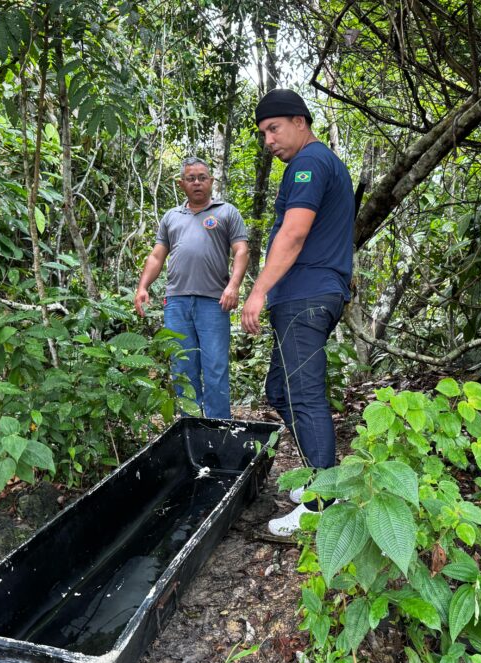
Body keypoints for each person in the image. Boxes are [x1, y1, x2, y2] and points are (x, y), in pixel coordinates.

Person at [240, 89, 354, 536]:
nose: (268, 140)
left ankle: (322, 506)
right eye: (263, 133)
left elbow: (294, 233)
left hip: (305, 295)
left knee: (304, 396)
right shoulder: (320, 164)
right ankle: (321, 478)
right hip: (306, 296)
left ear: (300, 121)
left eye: (274, 128)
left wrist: (257, 291)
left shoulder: (309, 162)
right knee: (280, 390)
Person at [135, 157, 250, 420]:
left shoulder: (226, 212)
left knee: (216, 366)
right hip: (176, 302)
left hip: (213, 301)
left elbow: (241, 250)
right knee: (182, 365)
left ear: (211, 181)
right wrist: (143, 286)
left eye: (202, 177)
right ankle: (190, 427)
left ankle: (219, 426)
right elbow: (156, 256)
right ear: (181, 183)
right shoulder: (171, 217)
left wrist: (233, 286)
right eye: (191, 178)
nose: (197, 182)